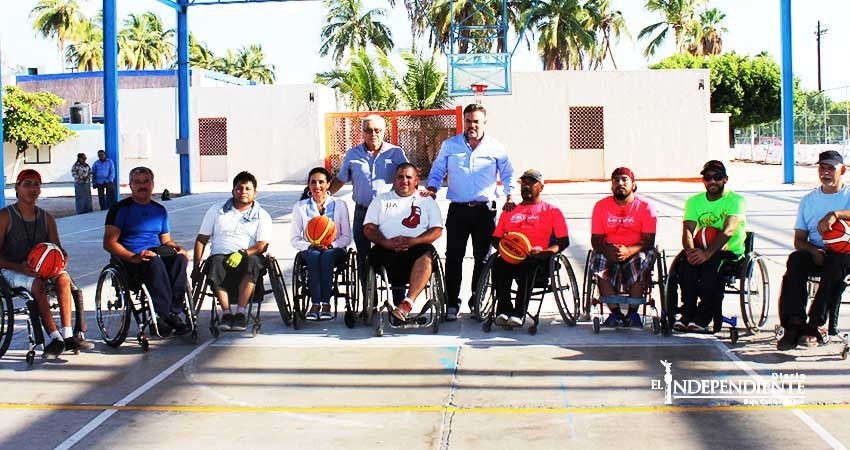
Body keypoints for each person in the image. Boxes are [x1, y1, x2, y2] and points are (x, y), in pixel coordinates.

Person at [425, 103, 515, 321]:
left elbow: (508, 173)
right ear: (463, 122)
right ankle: (451, 303)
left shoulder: (496, 147)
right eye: (468, 121)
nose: (472, 125)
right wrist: (432, 188)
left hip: (485, 211)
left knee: (482, 258)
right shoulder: (450, 145)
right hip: (458, 210)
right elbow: (438, 169)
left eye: (476, 121)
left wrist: (510, 196)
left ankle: (477, 300)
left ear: (484, 123)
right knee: (453, 257)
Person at [0, 169, 94, 358]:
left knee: (64, 278)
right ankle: (54, 338)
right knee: (37, 284)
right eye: (27, 184)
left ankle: (68, 335)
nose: (32, 189)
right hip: (10, 269)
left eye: (36, 184)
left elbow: (58, 249)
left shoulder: (47, 218)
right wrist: (20, 267)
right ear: (17, 188)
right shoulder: (5, 217)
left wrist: (62, 258)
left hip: (41, 269)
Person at [103, 167, 190, 335]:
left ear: (152, 184)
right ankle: (163, 314)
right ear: (130, 185)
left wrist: (178, 248)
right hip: (132, 260)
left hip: (156, 252)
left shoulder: (159, 210)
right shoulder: (120, 209)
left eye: (146, 182)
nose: (142, 186)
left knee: (180, 259)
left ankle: (174, 311)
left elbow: (166, 241)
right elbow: (109, 243)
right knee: (154, 261)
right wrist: (133, 257)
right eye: (137, 182)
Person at [777, 150, 850, 350]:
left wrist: (836, 214)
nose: (825, 172)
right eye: (822, 168)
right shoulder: (808, 200)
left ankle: (815, 325)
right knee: (796, 260)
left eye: (831, 168)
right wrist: (812, 250)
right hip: (816, 252)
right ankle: (794, 324)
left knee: (835, 263)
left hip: (844, 254)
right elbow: (799, 240)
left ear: (842, 170)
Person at [329, 114, 408, 291]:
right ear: (362, 132)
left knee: (394, 254)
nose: (373, 134)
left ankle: (398, 299)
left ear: (384, 131)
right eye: (368, 130)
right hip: (363, 213)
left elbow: (408, 178)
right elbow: (341, 179)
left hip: (390, 213)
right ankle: (369, 300)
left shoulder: (396, 153)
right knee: (364, 257)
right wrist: (323, 196)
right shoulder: (352, 154)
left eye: (377, 130)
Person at [193, 171, 273, 332]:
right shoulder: (216, 210)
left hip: (248, 255)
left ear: (255, 193)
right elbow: (201, 239)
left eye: (248, 189)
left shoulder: (262, 215)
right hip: (220, 256)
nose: (243, 192)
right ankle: (227, 313)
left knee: (253, 263)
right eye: (239, 188)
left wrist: (243, 253)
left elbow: (262, 246)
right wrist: (196, 266)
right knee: (214, 262)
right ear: (233, 190)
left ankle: (241, 312)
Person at [364, 163, 443, 321]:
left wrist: (414, 241)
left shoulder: (426, 201)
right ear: (394, 179)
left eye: (408, 177)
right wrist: (386, 242)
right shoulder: (381, 200)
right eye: (400, 177)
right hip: (386, 251)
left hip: (416, 250)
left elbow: (437, 230)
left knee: (427, 253)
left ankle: (407, 303)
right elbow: (368, 228)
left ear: (416, 180)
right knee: (374, 253)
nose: (404, 180)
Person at [674, 160, 747, 333]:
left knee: (711, 266)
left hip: (729, 252)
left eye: (717, 177)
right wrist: (690, 251)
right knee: (685, 264)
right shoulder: (694, 202)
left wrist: (707, 253)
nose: (712, 181)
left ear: (725, 179)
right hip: (702, 248)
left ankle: (704, 316)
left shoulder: (736, 200)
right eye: (708, 177)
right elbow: (688, 230)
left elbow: (728, 230)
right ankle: (688, 312)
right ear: (703, 180)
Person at [491, 169, 568, 327]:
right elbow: (495, 239)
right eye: (524, 183)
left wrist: (546, 252)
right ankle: (504, 310)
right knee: (498, 263)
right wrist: (506, 250)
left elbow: (563, 241)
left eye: (531, 183)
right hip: (513, 256)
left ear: (541, 187)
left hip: (538, 258)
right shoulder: (509, 211)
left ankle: (519, 313)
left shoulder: (552, 211)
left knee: (528, 263)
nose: (526, 186)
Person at [590, 167, 658, 328]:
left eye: (624, 180)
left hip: (637, 249)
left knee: (640, 261)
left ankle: (633, 313)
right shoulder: (600, 206)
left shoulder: (646, 207)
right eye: (616, 180)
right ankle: (616, 314)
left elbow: (649, 240)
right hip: (610, 249)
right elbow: (596, 239)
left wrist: (628, 251)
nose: (620, 183)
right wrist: (608, 251)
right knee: (599, 261)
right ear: (612, 185)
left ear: (633, 185)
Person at [291, 167, 353, 319]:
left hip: (334, 249)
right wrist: (309, 245)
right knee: (313, 256)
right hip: (310, 248)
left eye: (321, 182)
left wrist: (332, 245)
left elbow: (346, 237)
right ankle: (315, 303)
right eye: (313, 182)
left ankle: (325, 303)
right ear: (309, 185)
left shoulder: (339, 204)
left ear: (328, 184)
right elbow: (295, 238)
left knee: (326, 256)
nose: (317, 186)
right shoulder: (300, 207)